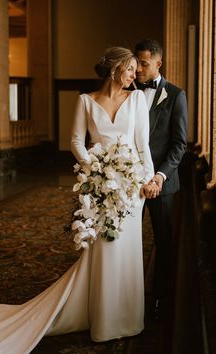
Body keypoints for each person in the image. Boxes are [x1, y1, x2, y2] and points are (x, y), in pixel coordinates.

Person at [0, 46, 157, 354]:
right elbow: (75, 140)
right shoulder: (86, 102)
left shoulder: (138, 100)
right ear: (115, 69)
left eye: (134, 70)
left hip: (130, 191)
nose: (134, 75)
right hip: (100, 187)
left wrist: (146, 181)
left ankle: (127, 319)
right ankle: (102, 319)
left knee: (127, 252)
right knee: (104, 252)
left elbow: (143, 146)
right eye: (129, 69)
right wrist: (95, 171)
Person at [133, 38, 188, 320]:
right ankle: (127, 298)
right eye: (137, 62)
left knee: (164, 243)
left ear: (158, 63)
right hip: (130, 184)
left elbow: (179, 144)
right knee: (126, 242)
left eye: (144, 63)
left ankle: (160, 300)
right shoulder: (127, 92)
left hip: (162, 185)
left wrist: (159, 176)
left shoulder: (176, 95)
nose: (139, 69)